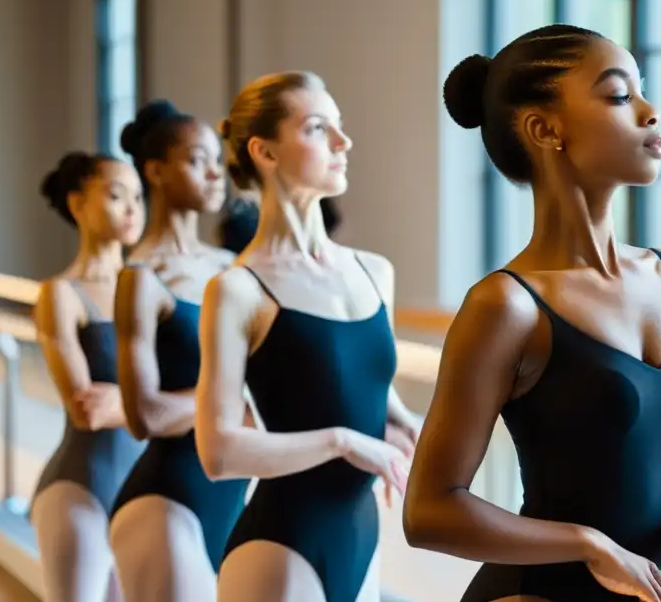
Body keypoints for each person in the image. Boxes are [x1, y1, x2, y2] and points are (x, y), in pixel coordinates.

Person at [402, 25, 661, 602]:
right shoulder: (506, 306)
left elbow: (651, 445)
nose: (651, 112)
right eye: (621, 96)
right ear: (544, 128)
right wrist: (588, 543)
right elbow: (428, 511)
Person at [195, 71, 420, 602]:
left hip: (362, 535)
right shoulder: (238, 290)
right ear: (265, 152)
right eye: (319, 129)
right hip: (280, 549)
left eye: (339, 127)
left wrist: (410, 429)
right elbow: (218, 451)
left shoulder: (374, 272)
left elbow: (372, 394)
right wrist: (343, 441)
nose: (344, 143)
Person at [108, 100, 250, 602]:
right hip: (168, 501)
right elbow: (144, 414)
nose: (215, 174)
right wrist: (228, 400)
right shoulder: (141, 279)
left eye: (217, 161)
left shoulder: (232, 265)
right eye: (197, 160)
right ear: (156, 171)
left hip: (235, 499)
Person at [31, 151, 146, 602]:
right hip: (81, 490)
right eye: (116, 195)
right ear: (78, 205)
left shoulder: (151, 286)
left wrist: (126, 402)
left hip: (144, 494)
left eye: (139, 196)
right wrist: (158, 404)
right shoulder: (61, 294)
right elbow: (88, 411)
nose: (133, 208)